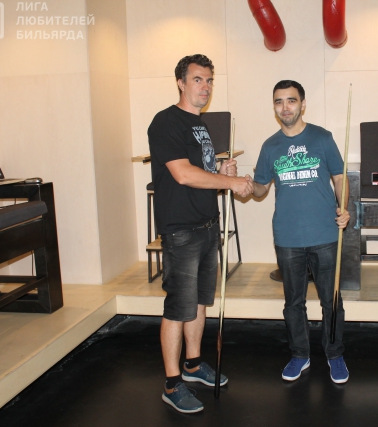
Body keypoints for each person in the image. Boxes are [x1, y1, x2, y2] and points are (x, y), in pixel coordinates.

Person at [148, 54, 253, 413]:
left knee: (199, 303)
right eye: (197, 79)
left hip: (207, 225)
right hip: (181, 230)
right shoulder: (165, 122)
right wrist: (230, 182)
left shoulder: (201, 125)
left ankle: (192, 364)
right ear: (180, 82)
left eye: (209, 80)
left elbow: (202, 170)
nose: (205, 86)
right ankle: (172, 382)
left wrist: (222, 169)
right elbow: (183, 174)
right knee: (178, 307)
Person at [251, 80, 350, 384]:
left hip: (325, 233)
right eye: (279, 101)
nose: (285, 107)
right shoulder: (270, 146)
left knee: (331, 301)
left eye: (291, 100)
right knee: (293, 303)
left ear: (302, 104)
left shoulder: (322, 138)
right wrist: (243, 183)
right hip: (288, 236)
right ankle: (299, 354)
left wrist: (344, 208)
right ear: (274, 107)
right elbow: (259, 189)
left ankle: (334, 354)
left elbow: (339, 177)